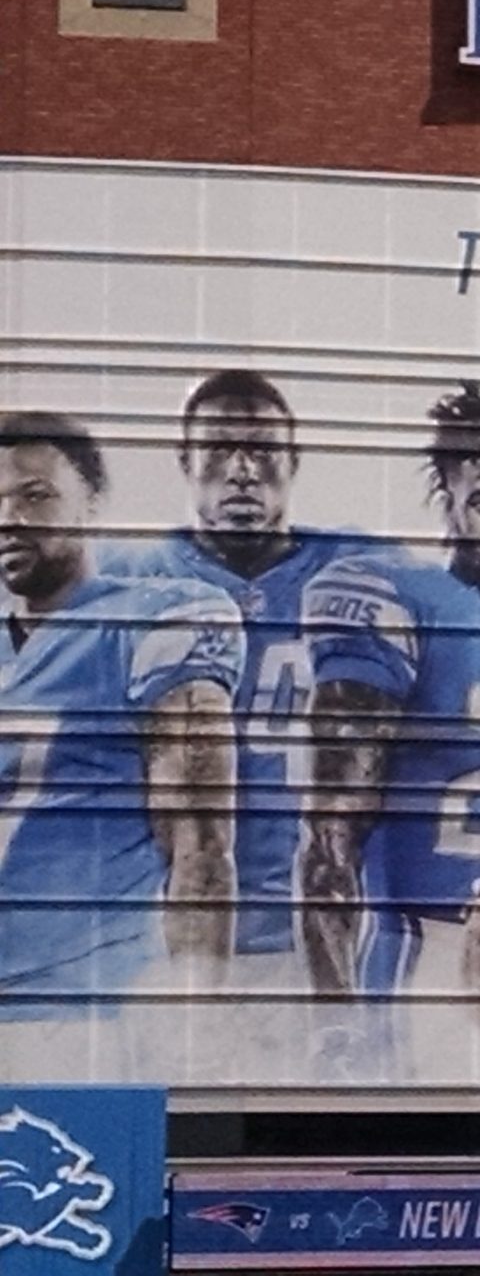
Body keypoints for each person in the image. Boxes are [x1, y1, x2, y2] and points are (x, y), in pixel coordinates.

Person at [297, 382, 480, 1080]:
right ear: (448, 499)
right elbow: (331, 830)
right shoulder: (404, 596)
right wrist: (334, 1018)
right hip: (428, 959)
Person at [99, 372, 376, 994]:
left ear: (294, 461)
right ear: (185, 461)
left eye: (262, 451)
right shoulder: (128, 578)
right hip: (160, 941)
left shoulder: (359, 568)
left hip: (311, 941)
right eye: (220, 450)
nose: (242, 471)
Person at [0, 413, 244, 1082]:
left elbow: (199, 842)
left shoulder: (157, 616)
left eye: (34, 494)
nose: (9, 517)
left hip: (75, 1012)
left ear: (93, 499)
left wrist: (198, 1017)